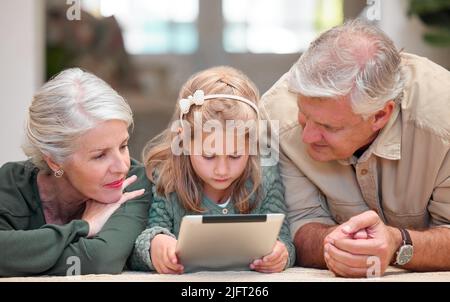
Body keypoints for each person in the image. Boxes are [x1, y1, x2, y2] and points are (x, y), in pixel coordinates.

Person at [259, 19, 450, 278]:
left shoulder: (443, 123)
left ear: (380, 115)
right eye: (304, 115)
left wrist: (397, 243)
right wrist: (335, 243)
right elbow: (296, 223)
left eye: (329, 127)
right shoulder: (275, 116)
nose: (307, 136)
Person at [129, 66, 295, 274]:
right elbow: (138, 243)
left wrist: (281, 253)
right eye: (208, 156)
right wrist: (155, 244)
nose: (222, 169)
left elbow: (283, 239)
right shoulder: (166, 178)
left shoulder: (265, 176)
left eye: (235, 156)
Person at [0, 68, 152, 277]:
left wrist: (18, 262)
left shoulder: (133, 182)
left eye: (123, 146)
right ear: (54, 161)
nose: (121, 166)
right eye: (100, 155)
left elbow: (101, 260)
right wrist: (83, 226)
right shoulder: (12, 183)